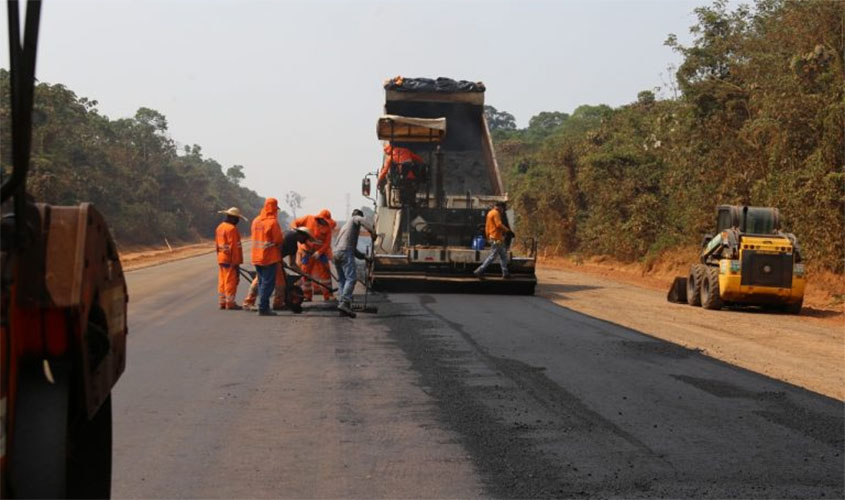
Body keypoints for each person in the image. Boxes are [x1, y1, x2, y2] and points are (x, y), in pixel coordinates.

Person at [243, 226, 317, 311]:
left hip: (269, 259)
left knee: (260, 280)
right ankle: (277, 304)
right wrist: (280, 260)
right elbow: (277, 248)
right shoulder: (290, 237)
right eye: (306, 238)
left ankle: (248, 302)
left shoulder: (293, 241)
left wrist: (303, 274)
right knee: (280, 283)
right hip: (271, 259)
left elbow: (292, 264)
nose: (305, 241)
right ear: (302, 235)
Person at [333, 209, 375, 318]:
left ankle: (342, 306)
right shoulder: (354, 219)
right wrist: (372, 232)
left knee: (342, 280)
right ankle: (345, 302)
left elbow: (354, 250)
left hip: (337, 253)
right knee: (351, 279)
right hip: (344, 252)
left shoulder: (345, 227)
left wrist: (365, 257)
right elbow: (360, 219)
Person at [292, 209, 336, 302]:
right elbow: (294, 223)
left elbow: (327, 243)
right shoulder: (308, 218)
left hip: (320, 254)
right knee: (305, 273)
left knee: (326, 274)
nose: (324, 222)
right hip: (307, 252)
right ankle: (307, 295)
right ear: (319, 218)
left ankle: (328, 295)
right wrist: (296, 232)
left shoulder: (328, 228)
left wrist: (319, 252)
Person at [215, 207, 247, 310]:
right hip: (230, 259)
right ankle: (230, 303)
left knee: (222, 280)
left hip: (221, 258)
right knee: (230, 281)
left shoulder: (219, 227)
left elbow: (217, 245)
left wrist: (219, 256)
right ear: (233, 218)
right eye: (237, 219)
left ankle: (222, 302)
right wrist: (236, 263)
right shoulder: (232, 229)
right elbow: (234, 247)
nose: (238, 221)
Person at [474, 201, 513, 279]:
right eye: (503, 208)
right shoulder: (496, 213)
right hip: (496, 238)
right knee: (492, 256)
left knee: (503, 256)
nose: (503, 210)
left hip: (495, 237)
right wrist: (508, 231)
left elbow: (487, 226)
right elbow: (498, 224)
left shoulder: (490, 213)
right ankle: (479, 271)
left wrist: (487, 236)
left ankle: (505, 273)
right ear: (500, 207)